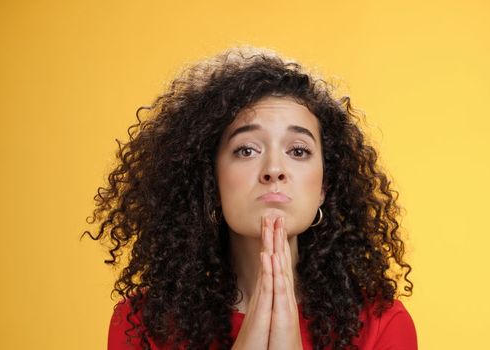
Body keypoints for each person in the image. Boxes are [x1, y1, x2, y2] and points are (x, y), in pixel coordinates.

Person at [84, 46, 415, 349]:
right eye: (246, 150)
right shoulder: (142, 325)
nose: (274, 169)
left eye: (298, 151)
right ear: (210, 182)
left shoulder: (382, 325)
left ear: (324, 188)